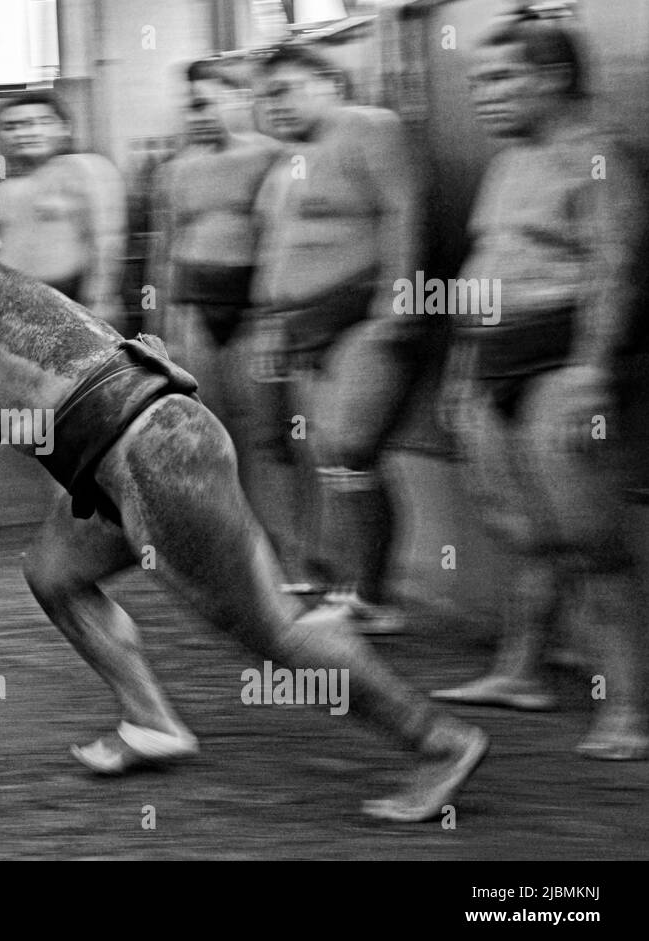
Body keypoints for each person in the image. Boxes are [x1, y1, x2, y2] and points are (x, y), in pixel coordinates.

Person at [0, 200, 489, 821]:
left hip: (150, 451)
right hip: (132, 457)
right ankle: (150, 718)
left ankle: (438, 741)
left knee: (275, 629)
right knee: (53, 572)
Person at [431, 15, 648, 760]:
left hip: (560, 362)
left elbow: (616, 269)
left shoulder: (597, 157)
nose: (485, 96)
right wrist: (464, 372)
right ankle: (520, 672)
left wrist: (592, 372)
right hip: (494, 361)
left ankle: (628, 710)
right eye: (478, 83)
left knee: (592, 542)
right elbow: (485, 266)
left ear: (553, 77)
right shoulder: (509, 162)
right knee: (527, 537)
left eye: (500, 80)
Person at [250, 46, 424, 627]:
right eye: (264, 95)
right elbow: (281, 249)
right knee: (330, 454)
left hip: (359, 312)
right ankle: (356, 594)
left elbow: (405, 209)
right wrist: (274, 321)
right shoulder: (288, 164)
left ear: (330, 82)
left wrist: (398, 303)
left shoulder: (366, 127)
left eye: (285, 89)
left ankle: (371, 598)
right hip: (305, 325)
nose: (271, 104)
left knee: (351, 449)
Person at [150, 55, 287, 564]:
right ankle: (232, 544)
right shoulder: (176, 169)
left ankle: (287, 552)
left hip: (253, 305)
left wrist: (276, 314)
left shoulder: (273, 156)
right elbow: (164, 248)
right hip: (193, 304)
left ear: (241, 97)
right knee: (211, 430)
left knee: (270, 435)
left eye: (207, 102)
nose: (197, 114)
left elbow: (284, 235)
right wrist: (159, 326)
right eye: (191, 106)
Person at [0, 91, 128, 331]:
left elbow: (107, 240)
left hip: (76, 304)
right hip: (15, 311)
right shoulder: (3, 190)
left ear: (65, 128)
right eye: (12, 126)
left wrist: (99, 303)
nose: (26, 132)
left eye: (41, 122)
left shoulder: (86, 169)